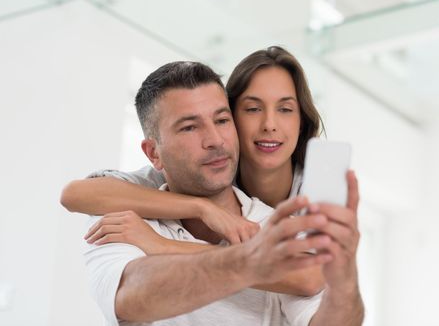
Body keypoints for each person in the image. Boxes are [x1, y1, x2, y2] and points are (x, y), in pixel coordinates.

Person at [76, 60, 363, 325]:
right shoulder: (126, 221)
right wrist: (253, 260)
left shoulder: (276, 227)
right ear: (154, 153)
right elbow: (130, 297)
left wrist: (344, 280)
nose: (214, 140)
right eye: (189, 127)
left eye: (222, 120)